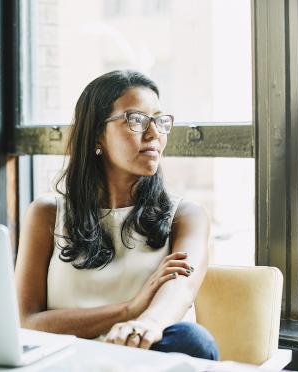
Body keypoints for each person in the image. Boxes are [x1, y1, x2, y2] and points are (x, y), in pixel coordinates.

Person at [14, 70, 219, 360]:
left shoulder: (185, 216)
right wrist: (129, 310)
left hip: (142, 356)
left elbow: (181, 290)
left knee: (192, 340)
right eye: (136, 119)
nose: (154, 133)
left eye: (160, 121)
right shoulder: (47, 213)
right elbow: (26, 323)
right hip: (69, 363)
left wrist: (146, 322)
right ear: (97, 133)